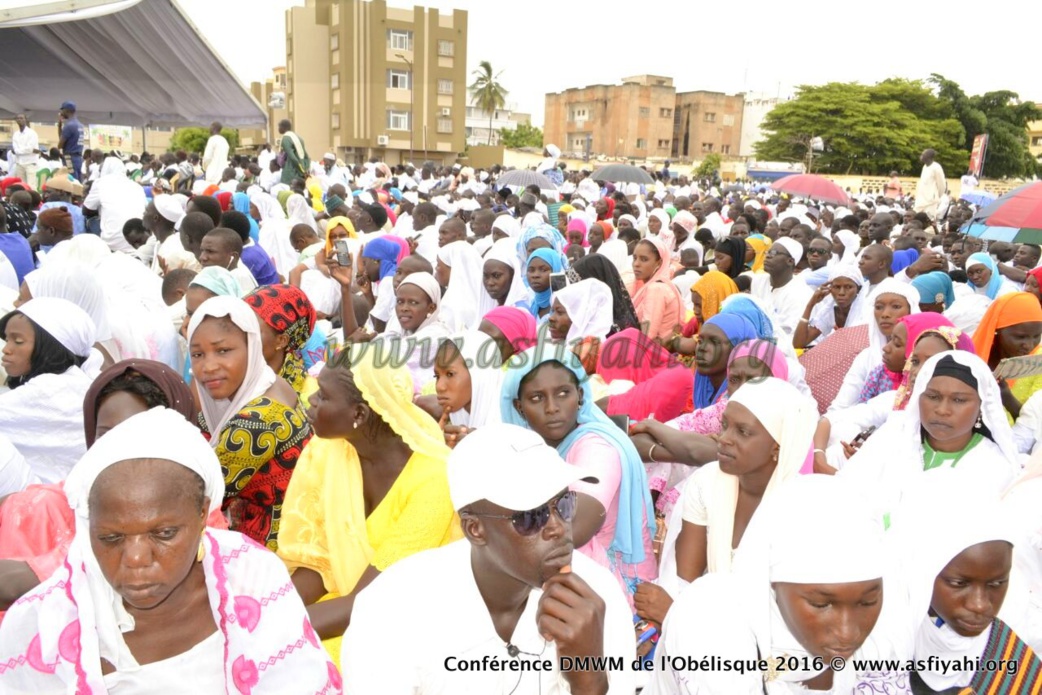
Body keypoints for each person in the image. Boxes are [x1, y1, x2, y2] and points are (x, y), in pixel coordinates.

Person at [0, 408, 340, 693]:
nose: (135, 559)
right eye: (110, 538)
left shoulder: (251, 580)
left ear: (203, 513)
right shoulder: (40, 625)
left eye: (163, 534)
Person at [341, 424, 636, 694]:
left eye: (564, 504)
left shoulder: (598, 595)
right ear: (475, 529)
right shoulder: (394, 607)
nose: (557, 527)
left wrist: (589, 679)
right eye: (532, 516)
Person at [278, 345, 460, 652]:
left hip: (402, 628)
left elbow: (371, 601)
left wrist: (274, 630)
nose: (311, 400)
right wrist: (266, 611)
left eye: (323, 395)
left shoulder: (434, 479)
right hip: (337, 609)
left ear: (359, 414)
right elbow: (317, 561)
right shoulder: (328, 450)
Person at [651, 475, 903, 694]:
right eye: (821, 604)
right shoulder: (711, 623)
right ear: (770, 583)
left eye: (867, 602)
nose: (848, 632)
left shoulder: (883, 626)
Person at [0, 359, 204, 611]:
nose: (117, 448)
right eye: (106, 435)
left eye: (139, 433)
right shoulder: (48, 506)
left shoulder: (199, 512)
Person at [636, 377, 815, 629]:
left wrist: (676, 617)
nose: (724, 439)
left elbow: (776, 623)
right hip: (704, 626)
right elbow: (682, 582)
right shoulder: (707, 484)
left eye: (742, 432)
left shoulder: (802, 512)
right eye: (725, 426)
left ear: (777, 446)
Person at [500, 346, 658, 606]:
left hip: (612, 593)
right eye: (537, 398)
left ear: (581, 395)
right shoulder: (534, 450)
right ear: (519, 407)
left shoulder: (596, 447)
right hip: (566, 574)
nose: (552, 408)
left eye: (563, 393)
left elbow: (574, 528)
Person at [187, 296, 312, 550]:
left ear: (252, 347)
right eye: (197, 354)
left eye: (223, 350)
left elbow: (197, 499)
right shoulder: (270, 381)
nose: (208, 367)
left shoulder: (253, 424)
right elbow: (202, 425)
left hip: (274, 546)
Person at [841, 351, 1021, 520]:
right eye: (933, 396)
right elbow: (845, 496)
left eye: (959, 400)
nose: (942, 410)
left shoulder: (994, 467)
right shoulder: (890, 439)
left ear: (981, 406)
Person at [0, 298, 95, 487]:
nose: (6, 349)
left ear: (49, 347)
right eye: (7, 339)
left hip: (48, 505)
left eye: (18, 341)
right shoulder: (76, 379)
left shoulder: (49, 390)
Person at [972, 291, 1042, 420]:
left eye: (1037, 336)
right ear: (997, 329)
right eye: (1021, 337)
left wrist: (1006, 397)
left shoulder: (1038, 362)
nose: (1029, 345)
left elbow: (1037, 422)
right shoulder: (977, 356)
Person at [243, 284, 317, 395]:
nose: (241, 335)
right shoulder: (236, 375)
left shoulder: (304, 394)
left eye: (252, 329)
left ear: (281, 341)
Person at [751, 237, 814, 339]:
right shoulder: (758, 281)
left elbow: (789, 334)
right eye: (768, 252)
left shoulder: (801, 293)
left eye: (774, 253)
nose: (767, 256)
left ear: (790, 261)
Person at [547, 278, 613, 375]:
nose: (551, 318)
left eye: (560, 312)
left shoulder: (587, 350)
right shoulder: (568, 343)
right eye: (553, 311)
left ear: (581, 318)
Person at [82, 156, 147, 253]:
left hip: (112, 246)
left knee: (89, 219)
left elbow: (86, 210)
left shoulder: (100, 183)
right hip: (140, 243)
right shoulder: (137, 186)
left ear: (104, 170)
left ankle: (94, 251)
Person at [793, 264, 863, 349]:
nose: (841, 292)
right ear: (830, 289)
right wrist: (810, 304)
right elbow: (798, 344)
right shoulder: (829, 311)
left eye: (848, 287)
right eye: (836, 287)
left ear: (858, 289)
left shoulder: (864, 313)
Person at [629, 235, 684, 343]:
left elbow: (647, 336)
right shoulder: (656, 285)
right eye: (634, 258)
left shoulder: (656, 289)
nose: (636, 264)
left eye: (644, 259)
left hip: (655, 353)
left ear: (659, 263)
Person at [915, 148, 947, 220]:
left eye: (923, 155)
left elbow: (942, 185)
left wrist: (935, 196)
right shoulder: (924, 167)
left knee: (929, 220)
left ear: (929, 157)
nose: (921, 156)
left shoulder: (936, 167)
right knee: (917, 219)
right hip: (921, 200)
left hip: (930, 201)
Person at [57, 101, 84, 181]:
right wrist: (60, 126)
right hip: (78, 157)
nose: (61, 112)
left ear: (66, 110)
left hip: (69, 158)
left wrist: (60, 125)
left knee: (71, 181)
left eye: (62, 110)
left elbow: (60, 145)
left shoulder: (69, 125)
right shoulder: (80, 125)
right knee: (78, 181)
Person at [10, 116, 39, 189]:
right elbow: (15, 148)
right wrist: (21, 150)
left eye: (21, 118)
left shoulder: (32, 133)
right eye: (18, 118)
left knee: (31, 186)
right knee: (21, 185)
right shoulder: (16, 134)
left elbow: (29, 149)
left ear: (26, 120)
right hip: (19, 163)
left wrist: (17, 151)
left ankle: (34, 200)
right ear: (16, 120)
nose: (19, 120)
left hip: (30, 163)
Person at [278, 119, 310, 185]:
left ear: (284, 127)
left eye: (279, 127)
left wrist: (301, 171)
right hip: (301, 171)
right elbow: (306, 156)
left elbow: (292, 157)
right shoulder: (299, 137)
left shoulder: (286, 138)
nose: (278, 129)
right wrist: (305, 169)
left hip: (291, 172)